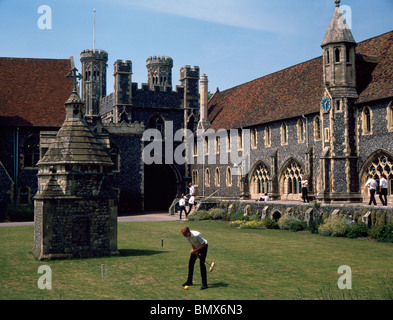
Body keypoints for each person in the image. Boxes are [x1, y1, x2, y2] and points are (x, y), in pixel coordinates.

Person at [180, 226, 208, 290]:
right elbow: (192, 244)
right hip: (196, 248)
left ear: (188, 232)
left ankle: (204, 284)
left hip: (204, 247)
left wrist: (195, 251)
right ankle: (189, 281)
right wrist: (196, 252)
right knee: (191, 263)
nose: (185, 236)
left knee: (202, 264)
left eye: (185, 235)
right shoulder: (187, 236)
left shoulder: (197, 235)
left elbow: (203, 244)